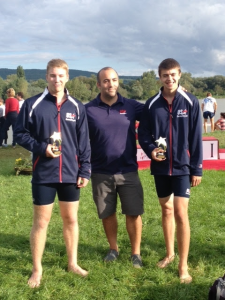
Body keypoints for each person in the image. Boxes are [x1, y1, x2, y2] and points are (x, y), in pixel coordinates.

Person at [14, 59, 91, 288]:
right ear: (46, 77)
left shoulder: (77, 106)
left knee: (71, 219)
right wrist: (41, 148)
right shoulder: (32, 104)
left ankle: (72, 263)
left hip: (70, 172)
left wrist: (85, 169)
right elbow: (19, 133)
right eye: (52, 75)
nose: (57, 79)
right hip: (44, 174)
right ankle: (37, 269)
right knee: (41, 222)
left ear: (67, 77)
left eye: (61, 75)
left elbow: (84, 141)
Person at [138, 58, 203, 284]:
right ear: (160, 76)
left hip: (184, 167)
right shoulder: (151, 103)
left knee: (180, 212)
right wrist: (150, 150)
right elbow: (143, 133)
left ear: (179, 74)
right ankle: (169, 254)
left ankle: (183, 265)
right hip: (161, 166)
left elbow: (196, 138)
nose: (170, 78)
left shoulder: (191, 101)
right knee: (166, 210)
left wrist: (197, 168)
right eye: (165, 75)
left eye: (173, 74)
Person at [85, 67, 144, 268]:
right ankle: (113, 248)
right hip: (101, 171)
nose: (111, 84)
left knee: (133, 212)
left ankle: (136, 253)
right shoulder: (88, 109)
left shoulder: (132, 106)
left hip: (128, 170)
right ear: (98, 84)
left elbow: (158, 113)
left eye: (114, 80)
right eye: (106, 81)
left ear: (118, 82)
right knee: (106, 213)